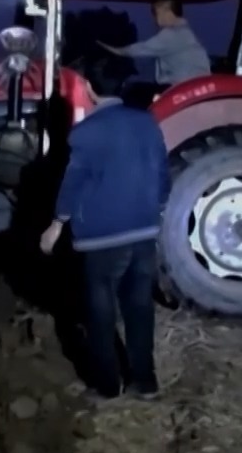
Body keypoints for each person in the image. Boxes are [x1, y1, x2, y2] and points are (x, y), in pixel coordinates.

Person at [40, 71, 171, 400]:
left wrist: (57, 224)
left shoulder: (85, 133)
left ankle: (107, 386)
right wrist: (157, 207)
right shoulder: (147, 123)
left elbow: (73, 183)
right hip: (143, 231)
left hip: (102, 237)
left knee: (99, 314)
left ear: (89, 89)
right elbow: (161, 172)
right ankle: (145, 382)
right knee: (139, 307)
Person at [101, 0, 212, 86]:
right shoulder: (185, 32)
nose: (154, 18)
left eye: (156, 12)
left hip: (188, 87)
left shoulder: (172, 35)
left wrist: (116, 50)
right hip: (195, 85)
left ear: (166, 11)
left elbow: (140, 49)